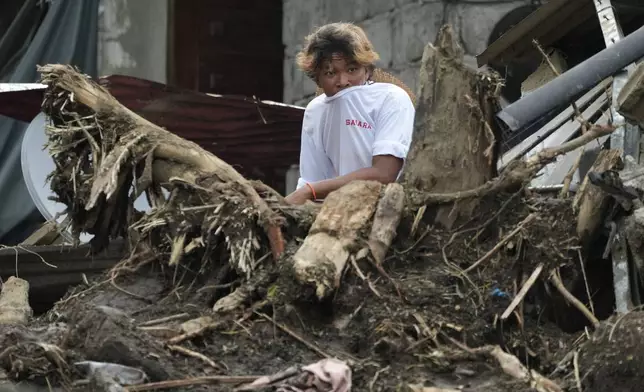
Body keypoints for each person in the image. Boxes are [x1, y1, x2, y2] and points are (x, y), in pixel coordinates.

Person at [284, 22, 416, 205]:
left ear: (368, 71)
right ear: (318, 79)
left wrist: (311, 191)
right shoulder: (316, 111)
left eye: (352, 70)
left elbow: (385, 174)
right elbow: (312, 179)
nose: (343, 81)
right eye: (330, 73)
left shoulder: (391, 98)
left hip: (391, 208)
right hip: (336, 211)